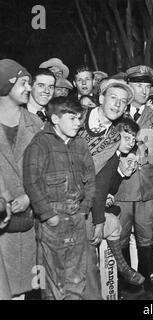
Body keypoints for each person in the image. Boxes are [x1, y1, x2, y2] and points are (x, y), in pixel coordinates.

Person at [23, 96, 95, 300]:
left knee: (77, 272)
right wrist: (48, 215)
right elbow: (31, 182)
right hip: (53, 218)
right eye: (72, 118)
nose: (78, 123)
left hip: (77, 214)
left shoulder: (80, 143)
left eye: (79, 118)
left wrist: (84, 208)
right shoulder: (40, 144)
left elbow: (90, 179)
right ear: (55, 119)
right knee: (54, 274)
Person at [115, 65, 153, 298]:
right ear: (128, 86)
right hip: (121, 187)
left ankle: (148, 279)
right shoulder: (117, 114)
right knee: (119, 235)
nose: (143, 90)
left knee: (146, 234)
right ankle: (127, 281)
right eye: (138, 85)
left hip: (148, 187)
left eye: (147, 86)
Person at [77, 77, 134, 299]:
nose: (117, 104)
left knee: (87, 269)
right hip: (55, 204)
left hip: (85, 209)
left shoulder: (113, 137)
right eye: (113, 98)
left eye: (123, 101)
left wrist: (99, 220)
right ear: (100, 98)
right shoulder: (77, 118)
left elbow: (101, 183)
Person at [0, 59, 41, 299]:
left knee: (22, 290)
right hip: (1, 219)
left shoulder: (35, 124)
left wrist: (29, 196)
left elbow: (46, 172)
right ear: (6, 85)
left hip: (25, 223)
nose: (29, 88)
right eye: (23, 82)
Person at [91, 117, 145, 287]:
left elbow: (105, 187)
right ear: (115, 135)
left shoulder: (115, 157)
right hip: (83, 212)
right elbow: (96, 188)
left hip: (93, 208)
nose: (130, 143)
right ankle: (124, 269)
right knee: (113, 224)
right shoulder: (109, 156)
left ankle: (122, 273)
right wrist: (99, 221)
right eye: (126, 138)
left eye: (133, 139)